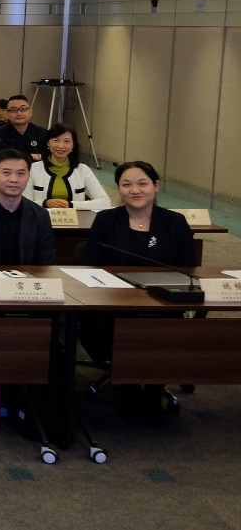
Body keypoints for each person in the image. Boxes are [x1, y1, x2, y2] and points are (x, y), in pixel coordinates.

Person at [81, 161, 196, 423]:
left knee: (164, 331)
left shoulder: (175, 222)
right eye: (126, 184)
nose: (135, 190)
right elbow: (90, 266)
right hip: (114, 306)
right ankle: (129, 387)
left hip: (163, 306)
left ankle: (154, 390)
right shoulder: (106, 220)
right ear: (118, 189)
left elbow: (188, 269)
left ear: (156, 186)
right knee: (118, 327)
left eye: (142, 183)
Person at [27, 123, 110, 210]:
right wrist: (45, 203)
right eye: (56, 140)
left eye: (67, 141)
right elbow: (23, 203)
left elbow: (105, 202)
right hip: (41, 217)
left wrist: (71, 205)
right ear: (48, 143)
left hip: (75, 218)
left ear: (73, 145)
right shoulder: (33, 169)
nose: (61, 146)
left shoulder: (83, 170)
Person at [0, 95, 48, 161]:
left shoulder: (43, 133)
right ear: (7, 114)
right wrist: (31, 156)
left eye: (23, 109)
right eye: (13, 110)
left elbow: (49, 157)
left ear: (30, 112)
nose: (19, 113)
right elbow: (0, 158)